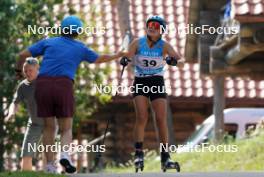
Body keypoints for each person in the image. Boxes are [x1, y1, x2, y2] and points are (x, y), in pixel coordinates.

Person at [15, 15, 125, 173]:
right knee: (66, 128)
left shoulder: (48, 42)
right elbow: (99, 58)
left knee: (48, 127)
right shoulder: (80, 47)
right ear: (78, 31)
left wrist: (19, 71)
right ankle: (65, 155)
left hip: (43, 85)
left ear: (61, 29)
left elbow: (22, 55)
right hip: (63, 85)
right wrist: (118, 54)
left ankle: (50, 166)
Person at [121, 15, 184, 171]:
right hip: (141, 81)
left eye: (155, 26)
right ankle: (138, 153)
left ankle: (165, 156)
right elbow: (127, 57)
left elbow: (182, 62)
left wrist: (173, 61)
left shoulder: (164, 46)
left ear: (161, 30)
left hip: (157, 81)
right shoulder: (137, 43)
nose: (151, 27)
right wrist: (124, 60)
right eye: (149, 24)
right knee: (142, 116)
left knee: (161, 118)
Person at [6, 57, 43, 171]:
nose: (27, 73)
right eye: (25, 71)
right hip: (34, 123)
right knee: (26, 153)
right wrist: (11, 114)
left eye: (30, 70)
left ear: (38, 69)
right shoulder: (23, 86)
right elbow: (14, 103)